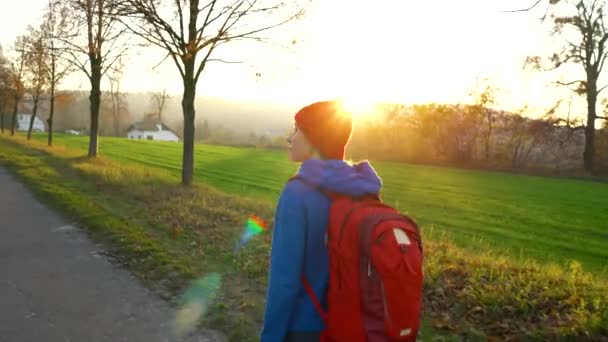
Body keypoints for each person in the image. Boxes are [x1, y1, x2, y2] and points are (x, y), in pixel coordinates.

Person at [260, 100, 382, 342]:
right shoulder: (363, 189)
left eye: (296, 129)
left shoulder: (296, 194)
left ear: (314, 139)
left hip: (307, 328)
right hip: (355, 325)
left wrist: (270, 337)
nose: (290, 138)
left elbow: (284, 283)